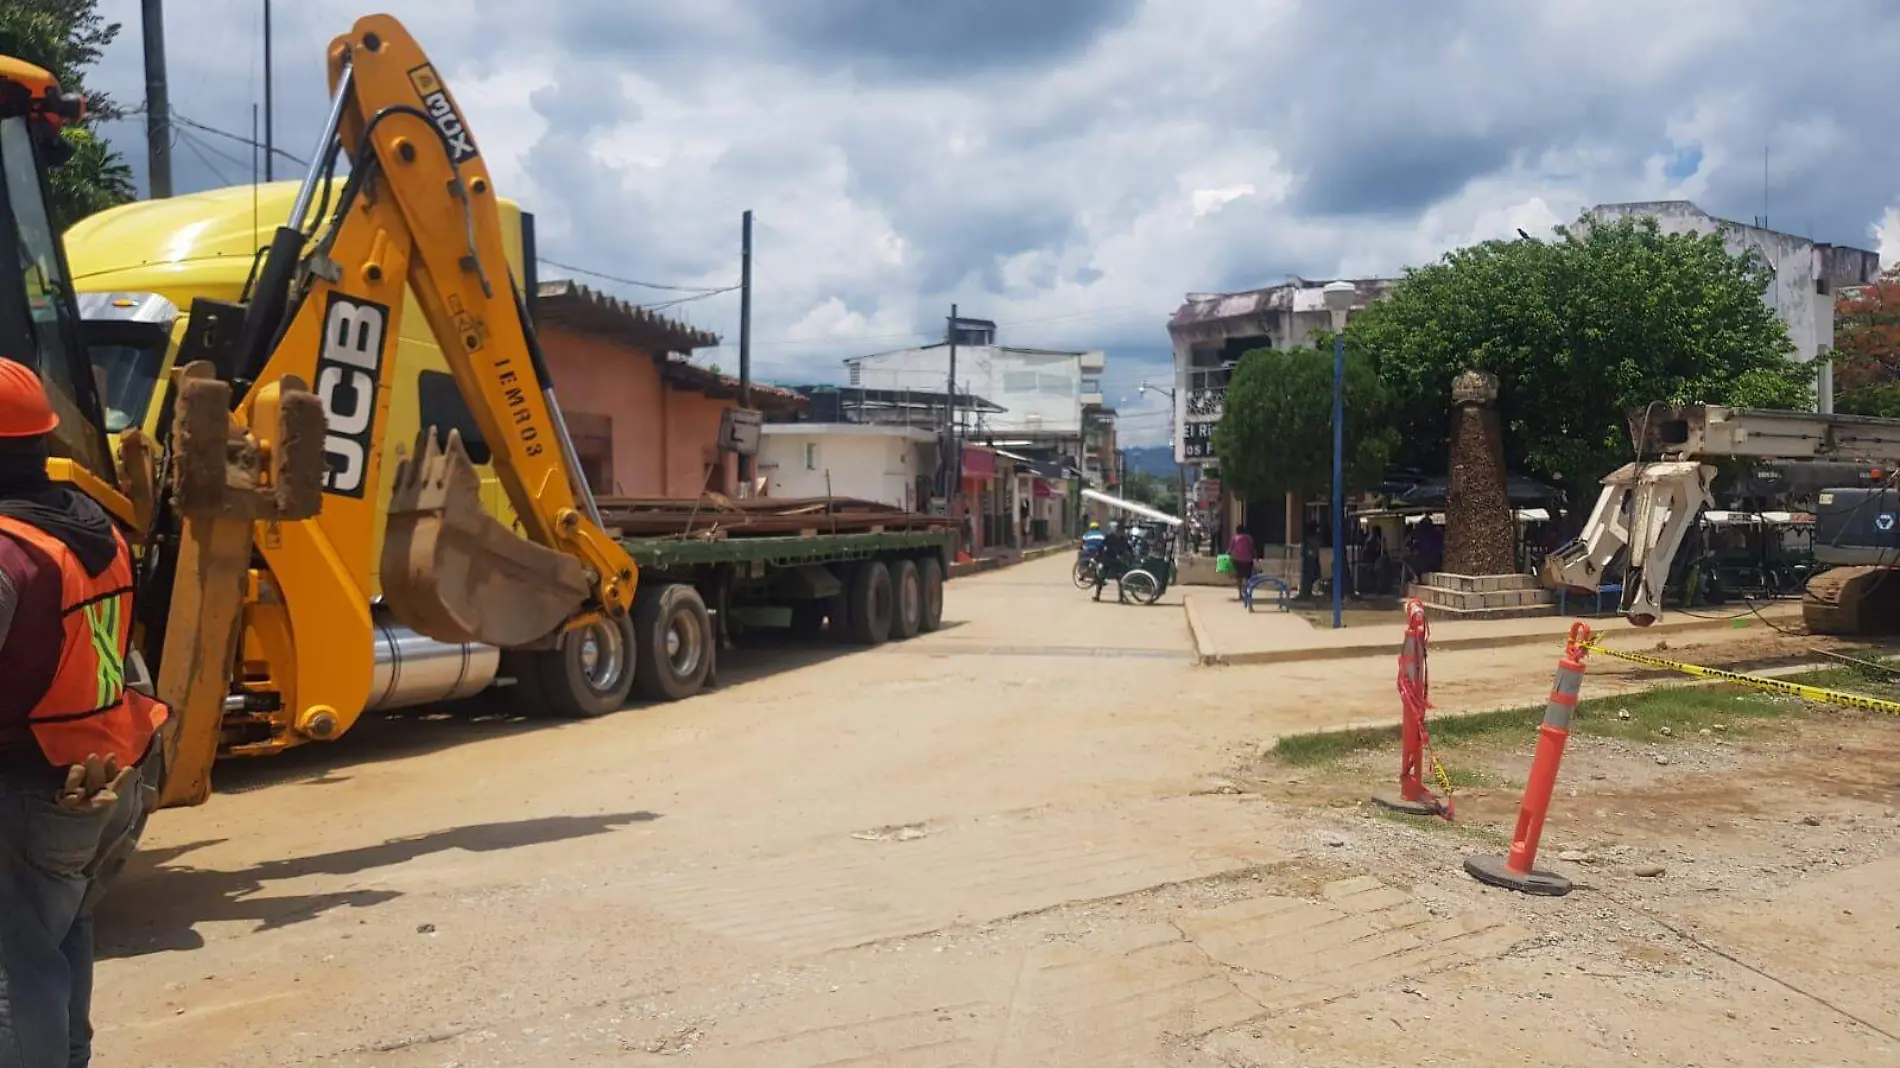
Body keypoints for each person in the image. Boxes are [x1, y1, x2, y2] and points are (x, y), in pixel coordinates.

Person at [0, 358, 167, 1068]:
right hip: (97, 771)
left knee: (14, 972)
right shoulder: (90, 527)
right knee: (62, 939)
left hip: (25, 781)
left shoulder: (10, 554)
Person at [1093, 521, 1132, 602]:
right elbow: (1128, 548)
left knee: (1104, 578)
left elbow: (1102, 547)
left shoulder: (1114, 537)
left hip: (1110, 561)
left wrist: (1098, 557)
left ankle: (1098, 596)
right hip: (1111, 561)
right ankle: (1119, 598)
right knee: (1115, 579)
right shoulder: (1119, 538)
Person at [1228, 523, 1256, 599]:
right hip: (1248, 560)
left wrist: (1227, 555)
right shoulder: (1248, 538)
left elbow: (1230, 549)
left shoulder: (1234, 538)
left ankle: (1240, 594)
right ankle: (1246, 591)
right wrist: (1255, 557)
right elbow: (1252, 549)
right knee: (1248, 577)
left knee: (1239, 577)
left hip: (1237, 560)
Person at [1299, 521, 1323, 600]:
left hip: (1312, 558)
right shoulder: (1312, 538)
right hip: (1311, 558)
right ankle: (1307, 591)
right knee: (1311, 574)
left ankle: (1307, 591)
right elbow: (1312, 549)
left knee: (1313, 574)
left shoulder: (1310, 538)